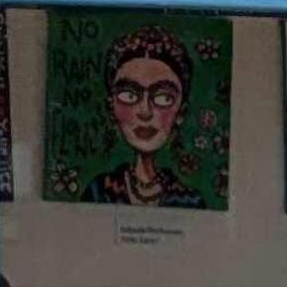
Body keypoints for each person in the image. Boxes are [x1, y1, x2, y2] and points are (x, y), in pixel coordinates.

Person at [87, 25, 203, 206]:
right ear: (112, 106)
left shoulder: (191, 201)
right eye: (129, 95)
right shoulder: (98, 191)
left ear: (181, 111)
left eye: (163, 97)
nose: (145, 111)